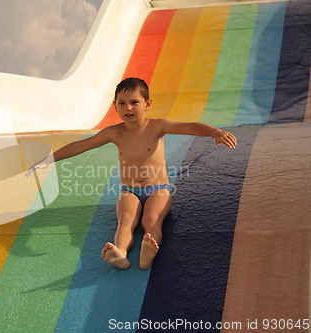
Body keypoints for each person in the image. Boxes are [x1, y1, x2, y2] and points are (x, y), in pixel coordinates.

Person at [25, 78, 237, 269]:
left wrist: (215, 132)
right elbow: (82, 146)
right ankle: (121, 253)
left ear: (147, 104)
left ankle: (147, 254)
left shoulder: (157, 126)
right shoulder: (113, 133)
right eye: (122, 103)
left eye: (134, 102)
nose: (128, 108)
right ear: (115, 105)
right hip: (130, 190)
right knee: (126, 219)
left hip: (159, 189)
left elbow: (189, 126)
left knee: (151, 218)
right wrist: (48, 159)